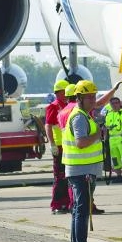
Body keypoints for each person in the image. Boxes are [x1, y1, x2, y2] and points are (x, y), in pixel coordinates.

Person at [62, 81, 108, 242]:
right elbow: (81, 143)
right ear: (79, 98)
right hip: (82, 171)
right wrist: (98, 134)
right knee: (81, 211)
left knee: (78, 211)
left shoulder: (83, 115)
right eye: (89, 97)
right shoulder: (80, 117)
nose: (93, 100)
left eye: (94, 96)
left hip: (81, 170)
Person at [44, 80, 70, 214]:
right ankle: (57, 205)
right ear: (58, 93)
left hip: (68, 146)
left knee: (68, 177)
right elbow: (48, 126)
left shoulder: (68, 106)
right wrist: (52, 144)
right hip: (59, 147)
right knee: (60, 178)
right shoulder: (53, 107)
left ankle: (66, 203)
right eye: (64, 91)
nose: (67, 94)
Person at [104, 97, 122, 182]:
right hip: (112, 140)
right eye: (113, 103)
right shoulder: (109, 114)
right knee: (115, 159)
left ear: (120, 103)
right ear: (110, 105)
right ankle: (119, 177)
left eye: (117, 102)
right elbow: (106, 128)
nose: (115, 104)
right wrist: (106, 140)